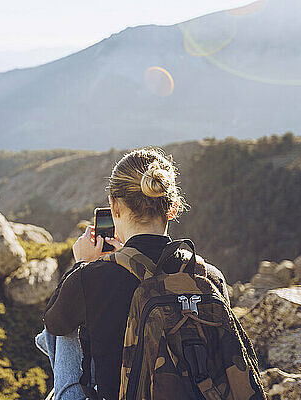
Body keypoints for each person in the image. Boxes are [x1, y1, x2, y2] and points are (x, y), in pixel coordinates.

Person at [42, 147, 229, 400]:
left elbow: (54, 324)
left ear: (114, 206)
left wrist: (82, 266)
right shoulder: (208, 277)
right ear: (172, 208)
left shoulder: (91, 278)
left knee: (62, 333)